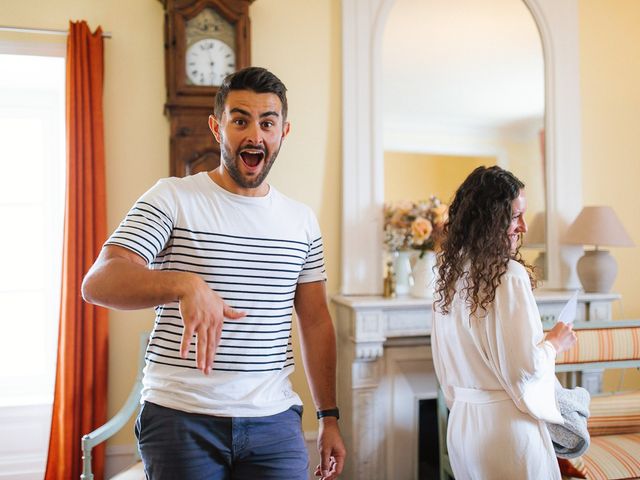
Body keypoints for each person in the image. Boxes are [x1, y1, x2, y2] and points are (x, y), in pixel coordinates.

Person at [82, 67, 345, 480]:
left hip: (274, 420)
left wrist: (328, 416)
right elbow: (99, 282)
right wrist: (183, 283)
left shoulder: (303, 222)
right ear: (216, 127)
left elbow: (315, 321)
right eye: (240, 120)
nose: (254, 135)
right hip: (180, 418)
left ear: (284, 132)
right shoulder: (172, 197)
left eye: (267, 122)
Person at [431, 165, 577, 480]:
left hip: (463, 427)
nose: (523, 226)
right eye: (515, 217)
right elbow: (524, 367)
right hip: (506, 430)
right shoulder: (509, 275)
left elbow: (442, 366)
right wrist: (554, 343)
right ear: (489, 220)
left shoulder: (449, 276)